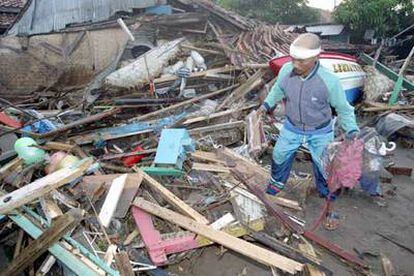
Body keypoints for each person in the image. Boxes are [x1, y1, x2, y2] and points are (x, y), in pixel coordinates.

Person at [257, 33, 359, 230]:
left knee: (326, 169)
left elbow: (344, 109)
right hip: (292, 127)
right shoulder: (287, 70)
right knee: (278, 155)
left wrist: (352, 130)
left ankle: (330, 204)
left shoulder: (329, 81)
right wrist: (266, 105)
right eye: (293, 59)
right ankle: (276, 185)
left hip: (319, 131)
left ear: (316, 58)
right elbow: (278, 90)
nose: (295, 64)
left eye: (301, 61)